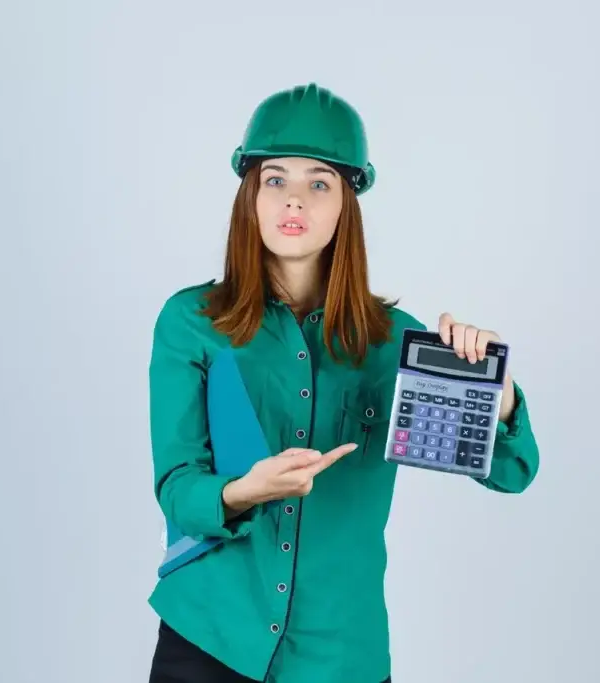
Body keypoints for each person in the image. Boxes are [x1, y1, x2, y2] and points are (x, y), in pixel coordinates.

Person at [145, 82, 540, 683]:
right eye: (275, 179)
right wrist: (240, 492)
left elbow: (512, 474)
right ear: (250, 195)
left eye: (319, 183)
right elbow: (177, 487)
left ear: (346, 204)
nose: (293, 201)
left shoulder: (395, 343)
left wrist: (496, 394)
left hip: (339, 657)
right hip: (209, 640)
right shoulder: (191, 324)